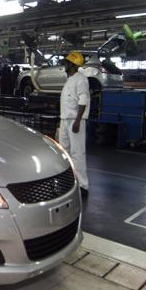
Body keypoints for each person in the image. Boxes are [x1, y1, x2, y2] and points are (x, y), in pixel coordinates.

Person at [59, 51, 90, 198]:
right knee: (64, 152)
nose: (64, 65)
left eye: (66, 63)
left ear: (72, 64)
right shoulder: (69, 79)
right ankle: (70, 182)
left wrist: (77, 121)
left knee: (78, 153)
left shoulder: (81, 80)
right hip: (65, 120)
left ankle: (83, 186)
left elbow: (83, 101)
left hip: (75, 121)